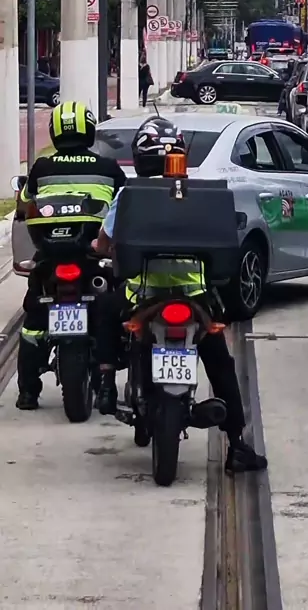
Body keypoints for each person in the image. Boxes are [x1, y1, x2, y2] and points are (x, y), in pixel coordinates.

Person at [93, 117, 268, 475]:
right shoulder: (197, 195)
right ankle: (237, 443)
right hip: (195, 300)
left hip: (141, 298)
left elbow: (104, 243)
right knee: (220, 363)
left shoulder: (129, 195)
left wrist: (100, 249)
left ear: (140, 158)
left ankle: (107, 383)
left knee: (104, 309)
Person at [16, 101, 126, 410]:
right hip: (93, 256)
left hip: (50, 257)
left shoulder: (41, 168)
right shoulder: (108, 167)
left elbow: (23, 205)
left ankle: (28, 393)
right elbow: (127, 205)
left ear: (55, 132)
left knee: (34, 318)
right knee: (115, 307)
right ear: (89, 130)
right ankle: (111, 378)